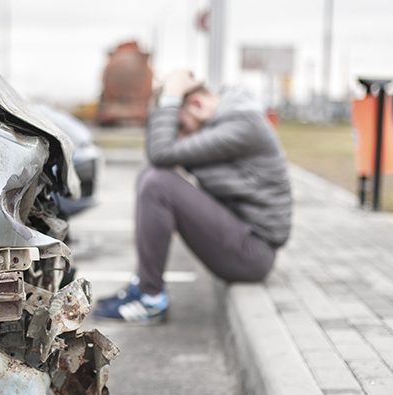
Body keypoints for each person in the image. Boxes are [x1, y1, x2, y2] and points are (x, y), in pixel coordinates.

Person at [94, 70, 292, 324]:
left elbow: (162, 151)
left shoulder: (242, 125)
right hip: (241, 239)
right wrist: (169, 103)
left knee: (158, 182)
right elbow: (160, 153)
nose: (180, 137)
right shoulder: (231, 120)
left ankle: (150, 299)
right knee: (152, 174)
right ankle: (143, 285)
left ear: (196, 105)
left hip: (253, 253)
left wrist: (171, 96)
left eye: (182, 128)